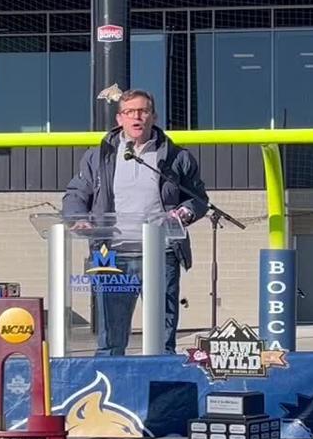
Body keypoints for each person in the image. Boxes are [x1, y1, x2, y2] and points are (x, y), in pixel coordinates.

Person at [61, 88, 209, 355]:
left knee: (162, 338)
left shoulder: (177, 157)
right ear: (120, 119)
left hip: (161, 253)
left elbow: (198, 199)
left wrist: (185, 213)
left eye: (143, 111)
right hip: (111, 254)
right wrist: (79, 218)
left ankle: (161, 392)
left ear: (153, 116)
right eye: (130, 112)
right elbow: (75, 194)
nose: (137, 117)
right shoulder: (98, 156)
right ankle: (109, 390)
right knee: (110, 338)